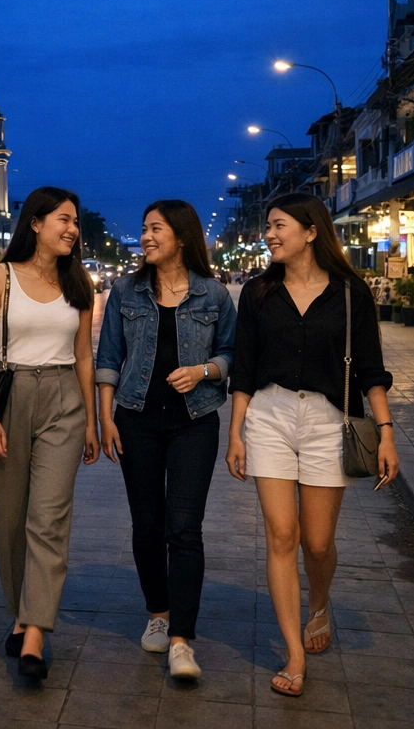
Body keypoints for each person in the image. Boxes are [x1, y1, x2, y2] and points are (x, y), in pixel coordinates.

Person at [225, 192, 398, 698]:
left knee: (316, 542)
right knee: (282, 534)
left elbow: (371, 368)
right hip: (270, 415)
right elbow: (245, 367)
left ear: (311, 230)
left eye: (279, 225)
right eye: (268, 227)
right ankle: (294, 653)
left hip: (329, 419)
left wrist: (386, 432)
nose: (270, 235)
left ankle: (318, 603)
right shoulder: (257, 292)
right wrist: (235, 431)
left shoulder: (351, 292)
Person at [95, 200, 235, 681]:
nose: (146, 237)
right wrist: (105, 419)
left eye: (155, 228)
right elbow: (109, 355)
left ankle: (182, 640)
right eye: (144, 228)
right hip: (135, 419)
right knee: (147, 524)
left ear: (180, 235)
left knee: (184, 527)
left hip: (195, 421)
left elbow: (232, 352)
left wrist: (204, 371)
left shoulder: (213, 295)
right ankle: (159, 611)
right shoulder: (125, 291)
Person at [0, 186, 98, 680]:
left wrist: (92, 422)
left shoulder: (78, 281)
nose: (72, 229)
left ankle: (36, 631)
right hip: (10, 397)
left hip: (64, 401)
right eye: (64, 219)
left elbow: (84, 356)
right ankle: (22, 612)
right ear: (36, 223)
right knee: (11, 517)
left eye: (77, 221)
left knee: (49, 517)